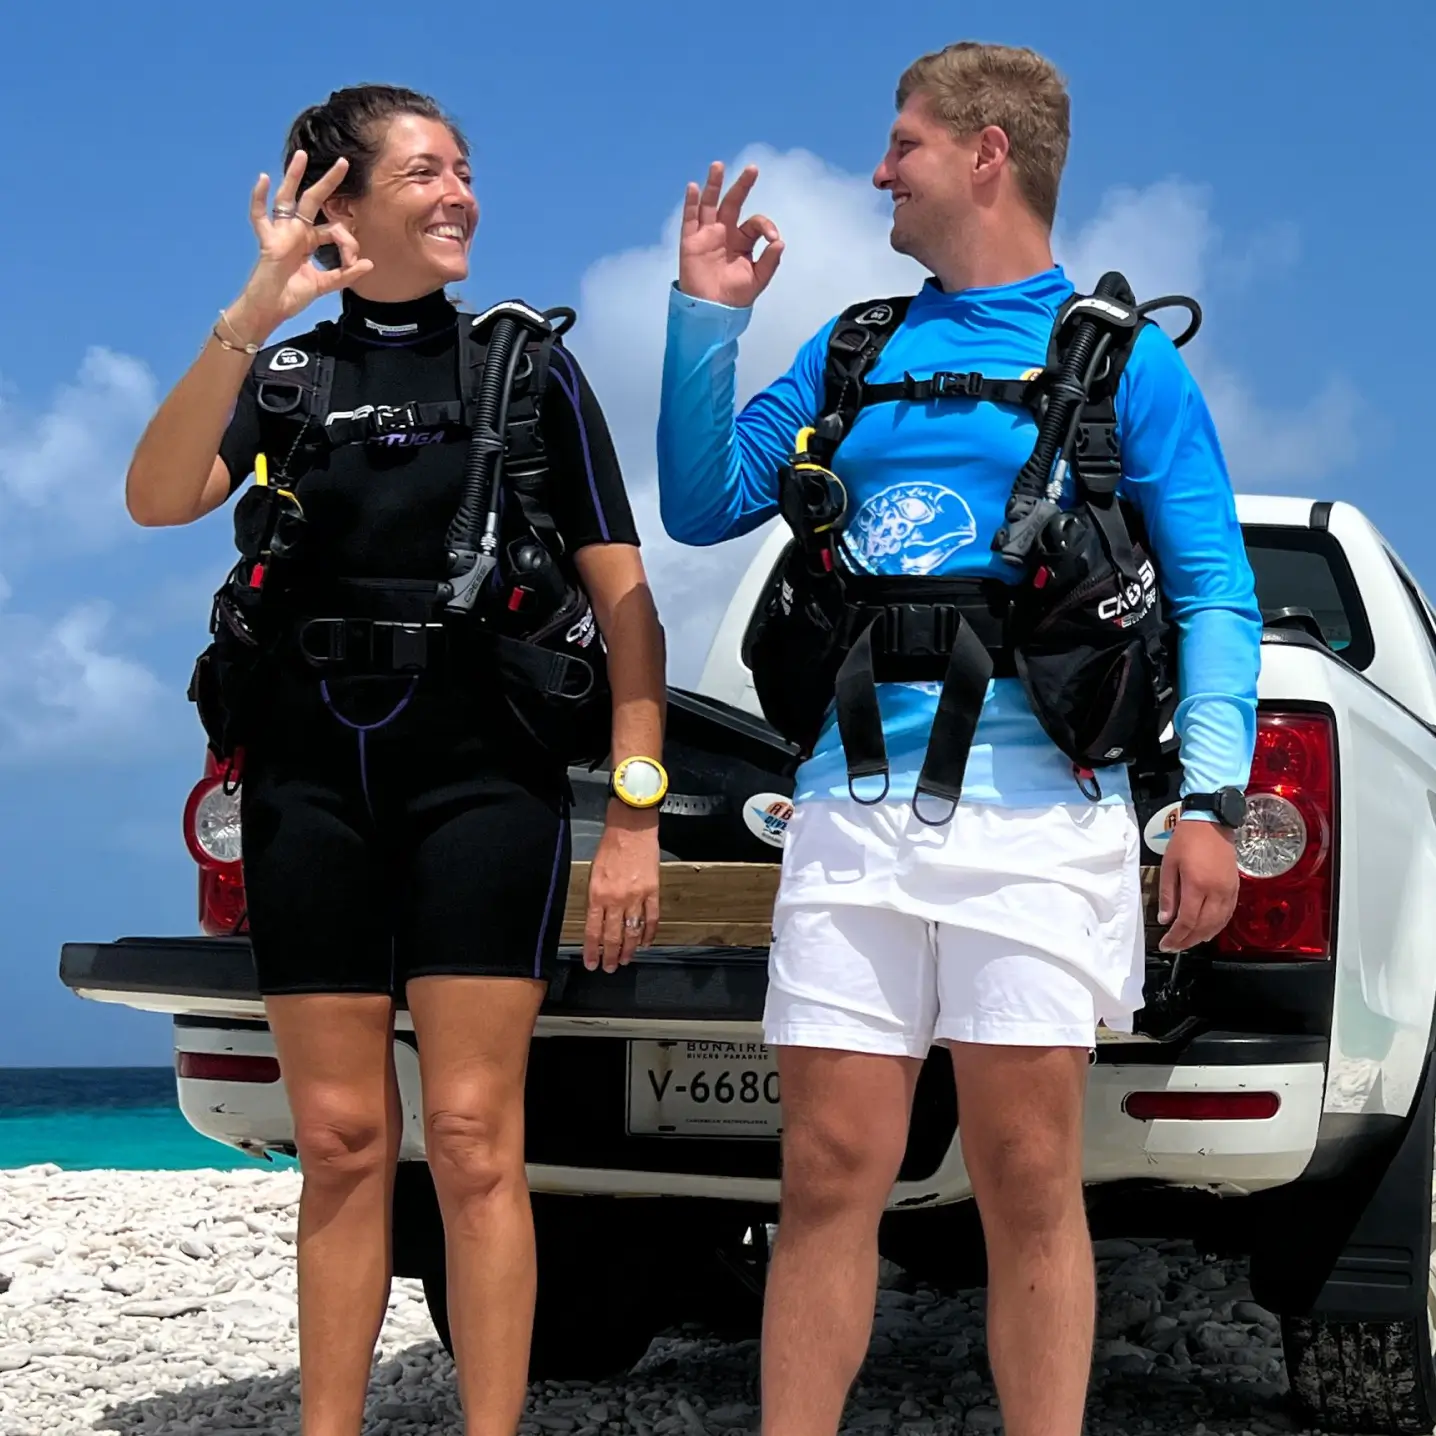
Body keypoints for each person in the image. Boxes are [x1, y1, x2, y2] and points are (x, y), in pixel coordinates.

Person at [656, 40, 1261, 1436]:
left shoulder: (1126, 366)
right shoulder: (855, 348)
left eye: (903, 144)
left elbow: (1214, 588)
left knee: (1028, 1183)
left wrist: (1210, 798)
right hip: (851, 809)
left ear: (988, 153)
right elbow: (699, 502)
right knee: (824, 1179)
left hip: (1042, 817)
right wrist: (705, 313)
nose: (879, 169)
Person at [126, 85, 666, 1436]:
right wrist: (253, 312)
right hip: (313, 783)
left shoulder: (524, 368)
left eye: (466, 168)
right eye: (427, 170)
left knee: (479, 1143)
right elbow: (155, 495)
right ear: (339, 200)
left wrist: (640, 810)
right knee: (344, 1144)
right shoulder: (290, 375)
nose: (461, 192)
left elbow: (627, 607)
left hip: (484, 783)